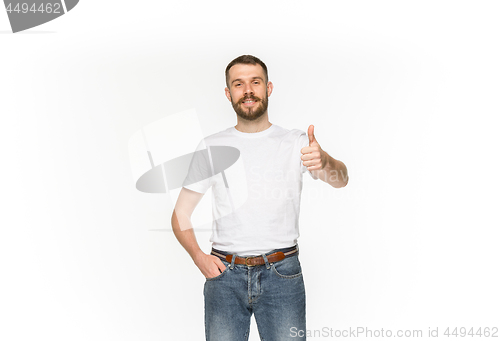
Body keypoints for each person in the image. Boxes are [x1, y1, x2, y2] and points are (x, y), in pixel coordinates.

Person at [171, 55, 348, 341]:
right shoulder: (211, 147)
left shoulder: (297, 142)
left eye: (255, 82)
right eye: (239, 84)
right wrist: (198, 257)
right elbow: (180, 215)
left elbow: (342, 180)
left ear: (269, 88)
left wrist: (324, 159)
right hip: (224, 276)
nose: (248, 90)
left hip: (283, 275)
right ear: (228, 94)